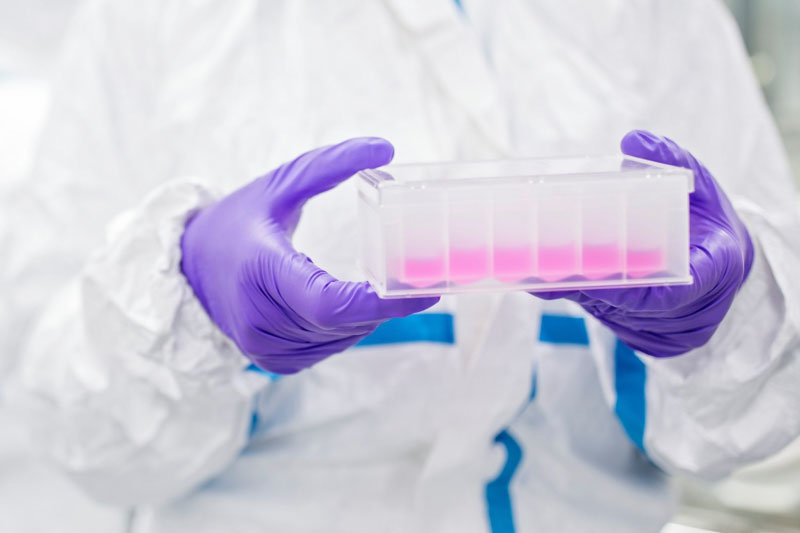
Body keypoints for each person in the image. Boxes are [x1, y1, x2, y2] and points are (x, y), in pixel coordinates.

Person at [3, 0, 800, 531]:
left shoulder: (654, 15)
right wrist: (187, 295)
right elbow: (62, 413)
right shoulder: (162, 19)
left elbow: (777, 392)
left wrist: (733, 314)